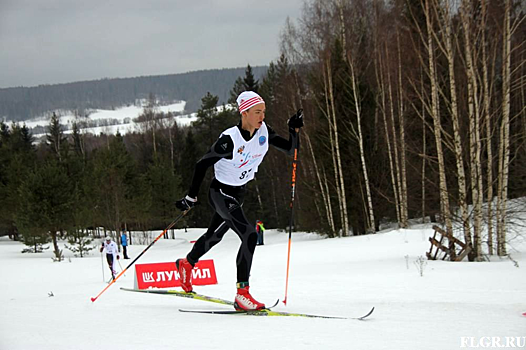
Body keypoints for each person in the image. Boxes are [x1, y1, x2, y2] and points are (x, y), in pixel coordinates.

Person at [174, 91, 304, 311]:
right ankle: (242, 294)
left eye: (263, 111)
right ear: (244, 113)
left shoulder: (264, 132)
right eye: (257, 112)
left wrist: (293, 129)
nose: (262, 116)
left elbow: (291, 149)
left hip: (238, 194)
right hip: (220, 193)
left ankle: (187, 263)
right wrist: (190, 197)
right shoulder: (229, 140)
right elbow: (201, 164)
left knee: (214, 236)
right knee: (249, 234)